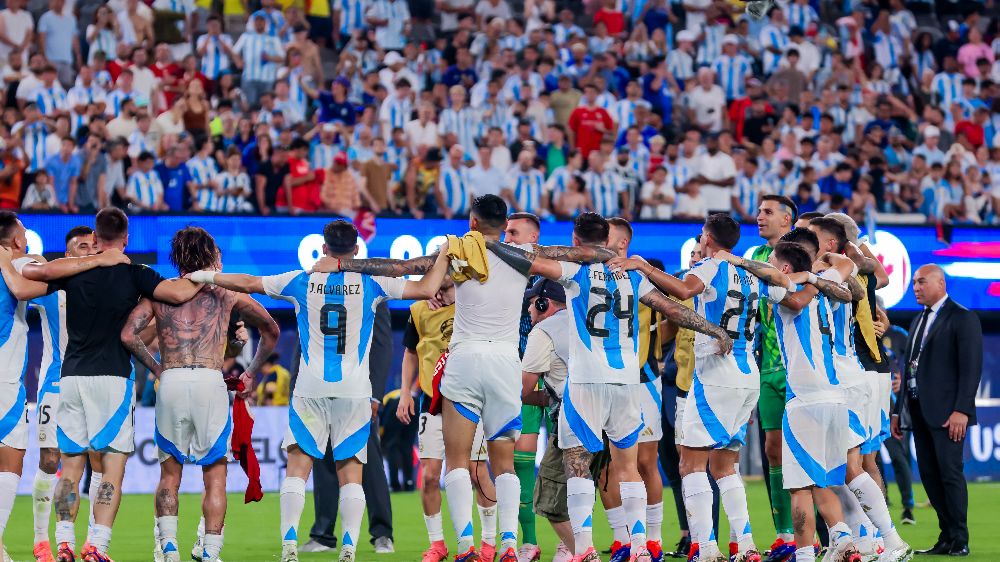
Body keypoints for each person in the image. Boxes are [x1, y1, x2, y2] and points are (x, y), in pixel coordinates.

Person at [325, 196, 616, 562]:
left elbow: (400, 268)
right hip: (505, 362)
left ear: (473, 222)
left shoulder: (457, 248)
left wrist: (342, 263)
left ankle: (465, 547)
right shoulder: (525, 251)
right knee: (504, 463)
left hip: (465, 360)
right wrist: (611, 256)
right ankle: (509, 545)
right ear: (504, 221)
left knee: (458, 462)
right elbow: (581, 255)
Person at [187, 220, 451, 562]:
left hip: (309, 389)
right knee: (351, 472)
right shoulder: (372, 282)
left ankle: (289, 546)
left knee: (297, 468)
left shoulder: (301, 280)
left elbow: (247, 282)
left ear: (323, 249)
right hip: (355, 391)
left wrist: (202, 276)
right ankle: (349, 548)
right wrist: (445, 254)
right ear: (356, 250)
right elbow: (428, 288)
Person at [505, 213, 732, 562]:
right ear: (607, 238)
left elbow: (529, 260)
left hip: (586, 382)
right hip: (628, 382)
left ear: (576, 240)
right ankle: (640, 546)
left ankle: (584, 549)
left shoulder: (573, 270)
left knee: (577, 464)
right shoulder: (630, 274)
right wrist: (713, 329)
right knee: (628, 467)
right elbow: (672, 308)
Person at [4, 208, 202, 562]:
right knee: (110, 466)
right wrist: (207, 274)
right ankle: (97, 544)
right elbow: (177, 294)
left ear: (95, 240)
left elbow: (27, 278)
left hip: (72, 377)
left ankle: (63, 541)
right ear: (125, 240)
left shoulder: (70, 275)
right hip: (112, 378)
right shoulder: (136, 274)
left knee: (70, 465)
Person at [610, 214, 777, 562]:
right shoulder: (750, 271)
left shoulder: (710, 266)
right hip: (748, 374)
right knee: (725, 466)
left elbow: (684, 291)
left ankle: (706, 547)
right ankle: (744, 546)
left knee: (690, 464)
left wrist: (642, 266)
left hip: (715, 373)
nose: (699, 243)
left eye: (702, 237)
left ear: (709, 239)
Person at [120, 227, 280, 562]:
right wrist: (249, 371)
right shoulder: (226, 293)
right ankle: (210, 551)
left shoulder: (160, 291)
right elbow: (271, 330)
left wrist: (156, 367)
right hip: (210, 381)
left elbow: (128, 335)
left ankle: (168, 547)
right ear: (211, 255)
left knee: (169, 472)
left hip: (173, 380)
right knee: (216, 475)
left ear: (176, 256)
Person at [722, 242, 862, 562]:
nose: (767, 264)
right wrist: (816, 270)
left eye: (772, 260)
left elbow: (786, 290)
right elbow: (846, 263)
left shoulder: (786, 287)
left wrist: (734, 260)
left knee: (799, 488)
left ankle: (803, 555)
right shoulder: (825, 281)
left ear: (784, 268)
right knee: (822, 482)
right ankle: (844, 540)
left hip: (805, 401)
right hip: (836, 399)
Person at [806, 218, 912, 562]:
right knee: (849, 462)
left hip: (861, 371)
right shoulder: (844, 271)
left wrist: (854, 243)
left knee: (858, 461)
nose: (805, 239)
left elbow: (875, 275)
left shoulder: (841, 269)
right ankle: (865, 539)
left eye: (812, 234)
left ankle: (878, 538)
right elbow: (876, 281)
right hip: (854, 372)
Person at [396, 276, 498, 562]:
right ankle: (437, 544)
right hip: (432, 401)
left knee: (477, 472)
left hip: (469, 400)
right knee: (429, 476)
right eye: (436, 286)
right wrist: (406, 392)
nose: (439, 292)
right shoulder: (419, 310)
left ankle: (489, 542)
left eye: (445, 286)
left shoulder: (474, 304)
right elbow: (410, 353)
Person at [892, 264, 982, 557]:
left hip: (948, 413)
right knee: (929, 475)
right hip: (918, 410)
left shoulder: (963, 317)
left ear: (940, 283)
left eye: (921, 282)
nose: (915, 287)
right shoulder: (918, 319)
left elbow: (971, 370)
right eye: (915, 283)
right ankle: (946, 536)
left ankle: (960, 539)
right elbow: (909, 368)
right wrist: (898, 411)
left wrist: (962, 410)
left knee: (950, 474)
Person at [29, 226, 101, 562]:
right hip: (55, 385)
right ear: (68, 254)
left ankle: (91, 544)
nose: (88, 251)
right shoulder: (51, 287)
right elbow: (22, 277)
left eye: (92, 246)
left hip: (96, 385)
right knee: (50, 460)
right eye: (81, 247)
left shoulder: (107, 287)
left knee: (97, 462)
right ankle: (42, 540)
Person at [750, 194, 797, 560]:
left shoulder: (801, 253)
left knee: (813, 452)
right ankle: (784, 536)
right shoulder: (755, 256)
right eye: (759, 211)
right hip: (767, 368)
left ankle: (841, 532)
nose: (759, 217)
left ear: (788, 219)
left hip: (801, 367)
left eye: (767, 212)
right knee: (772, 449)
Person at [519, 278, 572, 562]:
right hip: (608, 416)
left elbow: (523, 387)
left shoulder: (544, 330)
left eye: (531, 302)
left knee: (549, 501)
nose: (528, 308)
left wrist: (488, 397)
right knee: (585, 491)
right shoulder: (581, 321)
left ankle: (583, 552)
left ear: (544, 303)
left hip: (573, 421)